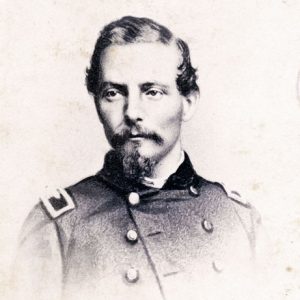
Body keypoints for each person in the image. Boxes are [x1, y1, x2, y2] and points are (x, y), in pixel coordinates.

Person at [12, 16, 265, 300]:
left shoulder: (238, 219)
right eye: (113, 93)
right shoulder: (59, 226)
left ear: (188, 103)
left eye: (152, 92)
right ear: (96, 103)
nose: (132, 111)